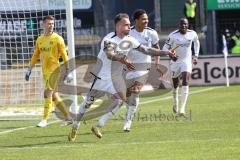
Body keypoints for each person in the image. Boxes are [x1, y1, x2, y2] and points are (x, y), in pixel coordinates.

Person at [68, 13, 176, 141]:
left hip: (114, 78)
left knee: (120, 99)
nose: (129, 27)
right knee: (87, 104)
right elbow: (109, 54)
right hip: (100, 77)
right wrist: (122, 59)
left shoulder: (129, 39)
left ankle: (99, 125)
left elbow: (146, 50)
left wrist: (166, 52)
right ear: (118, 26)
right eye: (126, 25)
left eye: (130, 25)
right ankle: (75, 125)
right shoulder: (109, 39)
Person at [25, 15, 71, 127]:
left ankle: (44, 119)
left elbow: (64, 55)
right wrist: (29, 69)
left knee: (47, 94)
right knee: (54, 96)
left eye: (52, 24)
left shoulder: (58, 39)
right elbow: (35, 55)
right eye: (49, 23)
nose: (51, 26)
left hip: (55, 70)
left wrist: (69, 70)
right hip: (45, 72)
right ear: (43, 24)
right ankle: (69, 118)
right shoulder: (40, 39)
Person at [162, 18, 200, 116]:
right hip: (175, 62)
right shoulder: (173, 35)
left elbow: (196, 43)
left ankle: (182, 109)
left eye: (185, 24)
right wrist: (171, 55)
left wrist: (195, 56)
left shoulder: (192, 34)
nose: (184, 26)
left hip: (186, 61)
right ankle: (175, 102)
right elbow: (164, 48)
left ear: (188, 25)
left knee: (185, 80)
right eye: (182, 24)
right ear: (179, 25)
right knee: (175, 85)